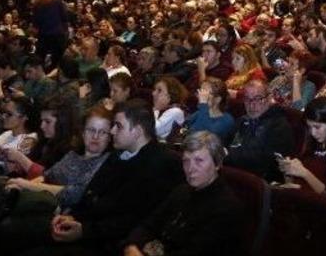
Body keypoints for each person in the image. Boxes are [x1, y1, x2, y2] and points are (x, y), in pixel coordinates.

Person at [32, 99, 184, 255]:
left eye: (118, 126)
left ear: (137, 131)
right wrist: (72, 216)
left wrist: (84, 230)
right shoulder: (119, 154)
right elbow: (92, 194)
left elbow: (133, 220)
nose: (111, 131)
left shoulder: (162, 164)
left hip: (111, 244)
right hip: (91, 231)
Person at [121, 131, 244, 256]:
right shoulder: (181, 191)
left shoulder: (228, 208)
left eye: (199, 160)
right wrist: (131, 245)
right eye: (186, 161)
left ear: (217, 164)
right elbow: (149, 224)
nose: (190, 168)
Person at [224, 80, 296, 181]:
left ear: (269, 98)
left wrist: (227, 154)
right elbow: (225, 143)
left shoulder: (279, 126)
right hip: (235, 175)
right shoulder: (242, 121)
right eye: (247, 99)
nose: (252, 105)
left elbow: (261, 161)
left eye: (258, 98)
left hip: (262, 183)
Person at [186, 77, 235, 143]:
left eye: (205, 93)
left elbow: (201, 139)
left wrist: (203, 105)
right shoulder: (197, 114)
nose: (200, 96)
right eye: (200, 91)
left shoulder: (226, 120)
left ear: (217, 99)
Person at [31, 0, 69, 69]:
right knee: (58, 59)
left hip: (44, 35)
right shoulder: (58, 2)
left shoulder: (37, 4)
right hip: (58, 34)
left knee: (40, 58)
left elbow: (35, 22)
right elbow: (65, 18)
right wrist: (65, 31)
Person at [152, 76, 187, 142]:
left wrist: (156, 109)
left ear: (170, 94)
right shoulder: (163, 109)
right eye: (154, 89)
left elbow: (155, 129)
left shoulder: (176, 111)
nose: (153, 93)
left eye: (159, 90)